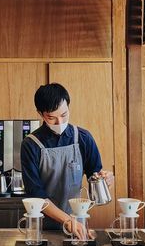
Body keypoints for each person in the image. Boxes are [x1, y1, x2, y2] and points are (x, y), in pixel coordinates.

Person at [21, 83, 114, 238]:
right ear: (41, 114)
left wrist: (106, 179)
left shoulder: (83, 138)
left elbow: (95, 175)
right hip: (41, 226)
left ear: (68, 108)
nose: (60, 123)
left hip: (77, 222)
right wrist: (67, 220)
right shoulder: (31, 145)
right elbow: (36, 195)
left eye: (64, 115)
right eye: (52, 118)